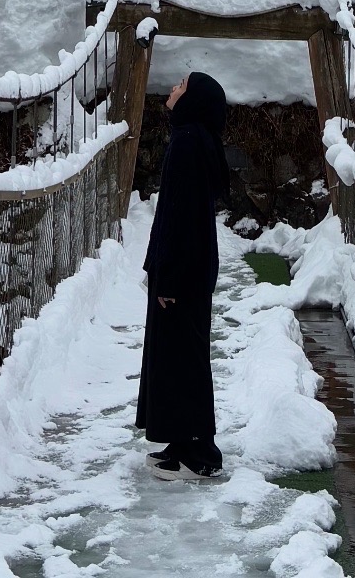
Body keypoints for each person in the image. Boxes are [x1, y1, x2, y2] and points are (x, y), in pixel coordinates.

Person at [135, 70, 230, 480]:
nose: (173, 90)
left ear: (194, 101)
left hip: (183, 269)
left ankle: (200, 453)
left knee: (182, 358)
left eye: (182, 86)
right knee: (179, 355)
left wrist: (168, 277)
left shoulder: (188, 142)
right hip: (191, 265)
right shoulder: (196, 139)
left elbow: (179, 215)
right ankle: (183, 442)